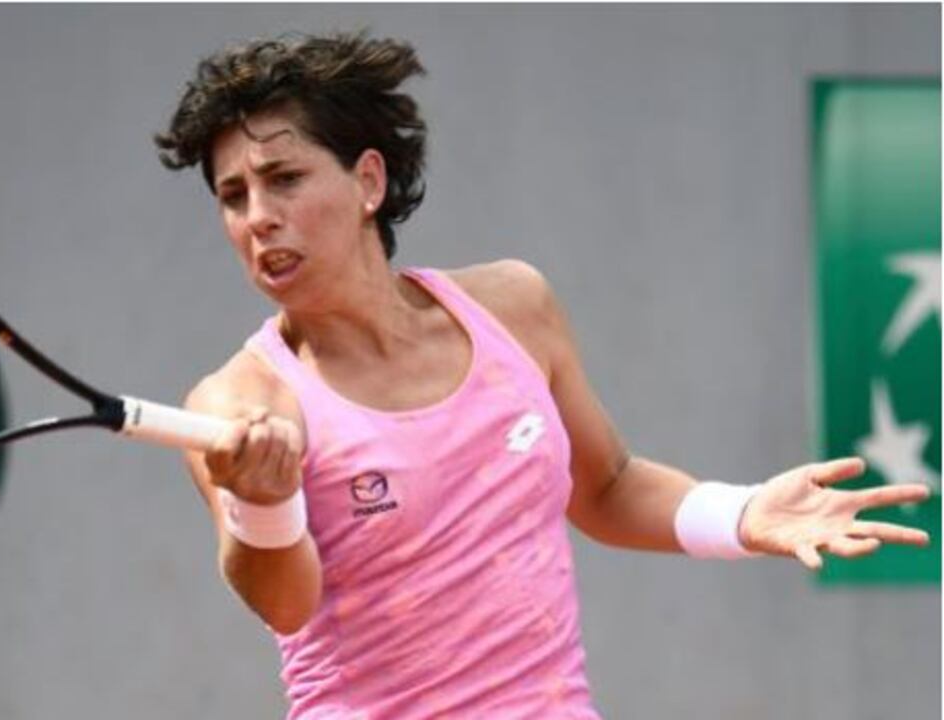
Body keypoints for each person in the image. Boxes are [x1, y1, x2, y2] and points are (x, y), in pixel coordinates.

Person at [153, 32, 931, 718]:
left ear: (368, 182)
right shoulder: (239, 403)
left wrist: (744, 513)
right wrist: (262, 503)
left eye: (284, 178)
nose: (258, 217)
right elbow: (286, 606)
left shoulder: (513, 306)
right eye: (233, 196)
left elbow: (606, 487)